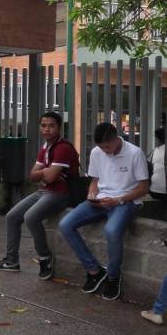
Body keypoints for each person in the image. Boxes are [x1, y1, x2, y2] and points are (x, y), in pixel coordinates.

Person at [59, 122, 149, 301]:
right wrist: (92, 194)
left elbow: (144, 188)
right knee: (65, 224)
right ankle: (94, 271)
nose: (104, 151)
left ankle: (113, 277)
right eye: (101, 147)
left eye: (107, 147)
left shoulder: (135, 153)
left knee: (111, 230)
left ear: (116, 139)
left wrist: (118, 200)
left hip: (126, 201)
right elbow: (95, 180)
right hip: (100, 200)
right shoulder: (96, 152)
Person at [0, 111, 79, 280]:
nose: (47, 129)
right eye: (43, 126)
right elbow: (32, 176)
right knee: (12, 217)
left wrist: (44, 173)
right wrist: (46, 171)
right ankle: (11, 260)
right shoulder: (45, 147)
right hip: (44, 191)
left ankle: (44, 257)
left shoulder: (63, 148)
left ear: (59, 128)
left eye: (51, 126)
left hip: (61, 193)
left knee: (31, 217)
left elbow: (49, 178)